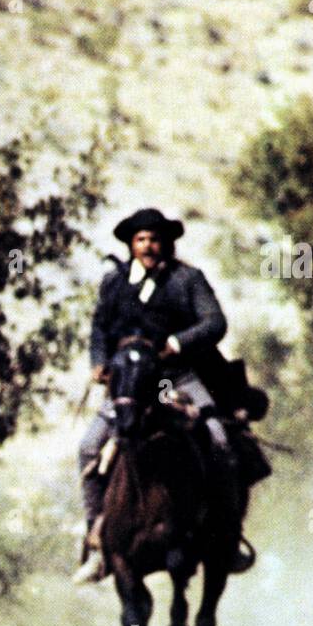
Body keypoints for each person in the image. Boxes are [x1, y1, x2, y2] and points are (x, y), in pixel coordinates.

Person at [76, 207, 255, 582]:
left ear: (167, 243)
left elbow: (215, 322)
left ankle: (227, 537)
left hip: (177, 380)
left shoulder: (187, 279)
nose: (148, 246)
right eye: (141, 239)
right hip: (132, 387)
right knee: (90, 446)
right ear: (131, 244)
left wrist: (178, 342)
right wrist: (99, 361)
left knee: (221, 443)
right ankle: (97, 539)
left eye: (155, 239)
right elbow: (99, 328)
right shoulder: (114, 282)